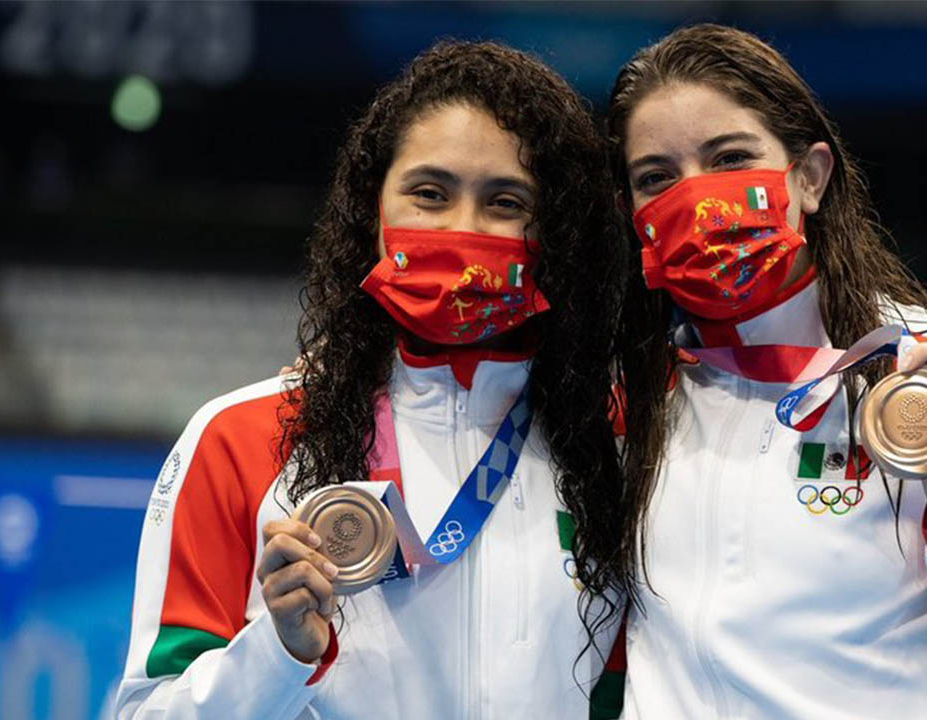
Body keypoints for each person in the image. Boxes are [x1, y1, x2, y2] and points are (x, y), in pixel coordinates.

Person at [594, 24, 927, 719]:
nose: (698, 199)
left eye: (730, 158)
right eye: (657, 178)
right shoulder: (627, 399)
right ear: (633, 215)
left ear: (810, 177)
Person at [115, 41, 627, 719]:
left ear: (556, 233)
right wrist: (281, 651)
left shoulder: (615, 443)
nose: (461, 231)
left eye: (505, 202)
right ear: (372, 212)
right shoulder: (240, 437)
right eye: (429, 193)